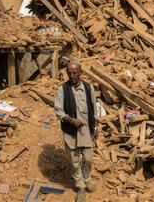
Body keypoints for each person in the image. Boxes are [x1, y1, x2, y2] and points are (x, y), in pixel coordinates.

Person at [54, 59, 99, 202]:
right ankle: (80, 187)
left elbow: (94, 108)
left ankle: (86, 180)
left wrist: (96, 127)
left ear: (81, 73)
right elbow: (58, 111)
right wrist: (71, 120)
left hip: (86, 130)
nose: (71, 76)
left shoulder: (89, 88)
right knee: (74, 161)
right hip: (70, 131)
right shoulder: (62, 89)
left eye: (74, 73)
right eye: (69, 73)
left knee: (88, 159)